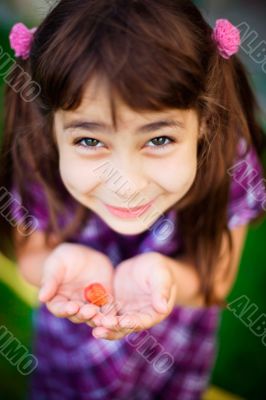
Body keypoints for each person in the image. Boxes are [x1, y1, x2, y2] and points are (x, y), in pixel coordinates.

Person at [1, 1, 266, 398]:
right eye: (89, 140)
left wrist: (167, 276)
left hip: (172, 359)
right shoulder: (39, 159)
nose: (126, 183)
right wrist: (59, 262)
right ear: (50, 126)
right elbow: (30, 257)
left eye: (159, 139)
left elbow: (216, 280)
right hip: (70, 358)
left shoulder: (231, 168)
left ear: (204, 122)